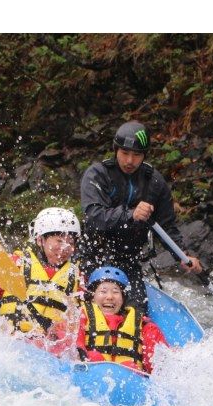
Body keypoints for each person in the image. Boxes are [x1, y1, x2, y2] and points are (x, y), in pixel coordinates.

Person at [79, 120, 202, 307]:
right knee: (91, 309)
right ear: (116, 150)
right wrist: (131, 214)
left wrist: (183, 256)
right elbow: (94, 216)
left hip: (128, 261)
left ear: (144, 155)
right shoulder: (98, 175)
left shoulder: (154, 183)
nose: (130, 161)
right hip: (93, 257)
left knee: (138, 312)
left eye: (136, 155)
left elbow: (167, 226)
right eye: (125, 153)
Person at [0, 207, 83, 337]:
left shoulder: (76, 277)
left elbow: (84, 319)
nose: (66, 248)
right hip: (12, 343)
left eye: (70, 242)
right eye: (60, 241)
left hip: (50, 350)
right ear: (40, 240)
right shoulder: (16, 264)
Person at [73, 266, 169, 374]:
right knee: (94, 356)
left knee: (129, 366)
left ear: (123, 299)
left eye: (115, 292)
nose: (109, 297)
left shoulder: (143, 324)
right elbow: (69, 340)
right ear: (93, 297)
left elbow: (160, 363)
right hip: (90, 374)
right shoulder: (80, 316)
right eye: (103, 291)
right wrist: (79, 351)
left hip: (130, 380)